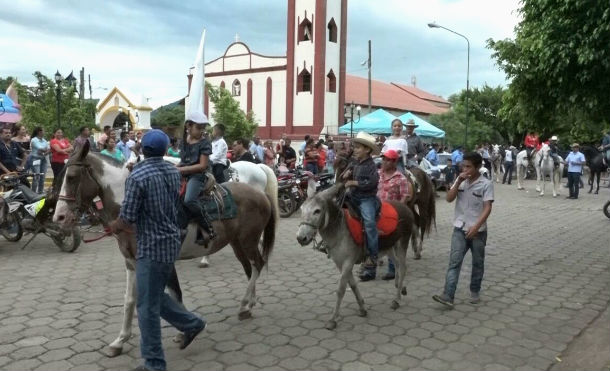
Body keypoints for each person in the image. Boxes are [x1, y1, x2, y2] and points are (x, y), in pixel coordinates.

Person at [109, 129, 206, 371]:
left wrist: (114, 225)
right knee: (150, 296)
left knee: (146, 308)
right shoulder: (172, 172)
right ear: (165, 150)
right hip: (171, 242)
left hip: (151, 247)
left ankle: (154, 363)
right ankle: (192, 323)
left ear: (142, 149)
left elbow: (128, 217)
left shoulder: (138, 177)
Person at [433, 152, 493, 309]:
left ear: (478, 167)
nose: (465, 169)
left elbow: (487, 208)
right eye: (463, 166)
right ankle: (448, 295)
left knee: (478, 262)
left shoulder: (486, 184)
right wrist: (458, 181)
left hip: (477, 232)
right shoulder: (460, 181)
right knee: (454, 262)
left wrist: (477, 226)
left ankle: (475, 290)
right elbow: (449, 198)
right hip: (459, 229)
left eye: (469, 167)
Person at [342, 132, 380, 282]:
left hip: (367, 198)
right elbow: (346, 174)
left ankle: (373, 256)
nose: (355, 150)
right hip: (353, 196)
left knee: (369, 223)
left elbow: (372, 183)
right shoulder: (354, 162)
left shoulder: (371, 165)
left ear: (367, 150)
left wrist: (354, 183)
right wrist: (346, 174)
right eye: (355, 147)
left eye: (358, 148)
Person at [178, 116, 215, 245]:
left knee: (189, 200)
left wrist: (181, 170)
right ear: (188, 126)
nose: (201, 131)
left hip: (197, 175)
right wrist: (174, 167)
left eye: (203, 128)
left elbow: (202, 166)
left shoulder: (205, 142)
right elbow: (183, 161)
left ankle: (208, 227)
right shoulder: (183, 141)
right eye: (198, 128)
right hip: (184, 173)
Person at [377, 149, 411, 280]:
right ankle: (370, 266)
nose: (384, 162)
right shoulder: (377, 174)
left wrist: (399, 211)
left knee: (392, 239)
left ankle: (392, 268)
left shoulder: (400, 178)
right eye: (383, 159)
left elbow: (404, 197)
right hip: (378, 211)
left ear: (394, 162)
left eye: (387, 160)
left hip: (392, 213)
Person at [29, 127, 50, 193]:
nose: (44, 132)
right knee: (37, 176)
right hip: (35, 159)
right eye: (43, 131)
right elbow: (40, 148)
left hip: (43, 159)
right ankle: (33, 192)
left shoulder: (44, 140)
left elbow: (49, 149)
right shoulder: (34, 140)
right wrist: (45, 150)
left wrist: (44, 152)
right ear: (39, 132)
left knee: (43, 177)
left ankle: (40, 192)